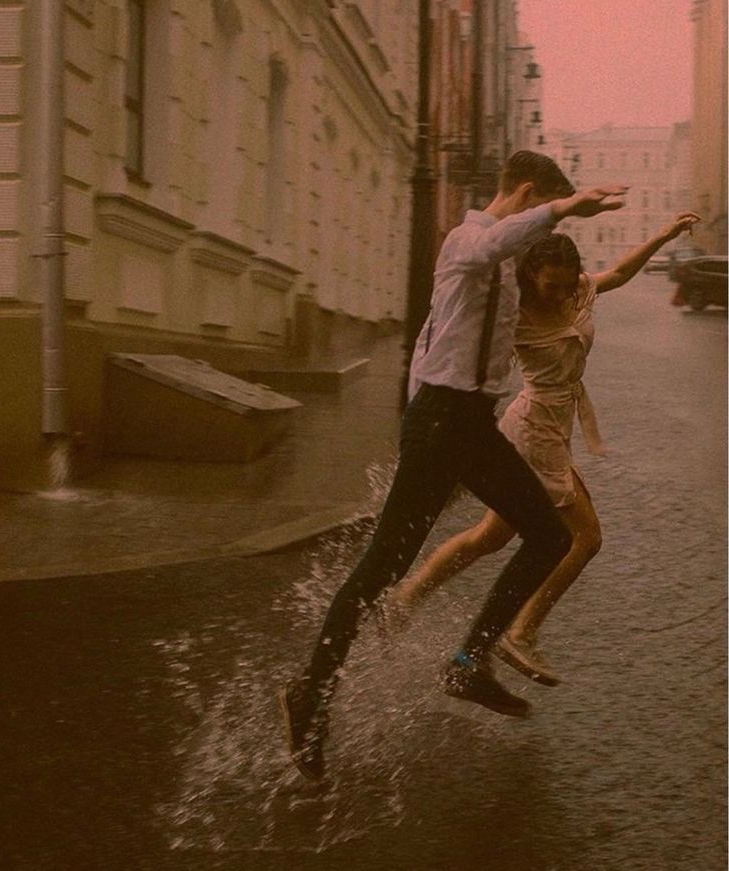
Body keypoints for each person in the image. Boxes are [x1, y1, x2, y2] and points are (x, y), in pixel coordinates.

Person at [280, 149, 628, 781]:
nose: (541, 236)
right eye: (542, 211)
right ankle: (312, 691)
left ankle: (468, 663)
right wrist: (563, 209)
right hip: (444, 422)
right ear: (527, 194)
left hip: (466, 422)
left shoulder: (503, 269)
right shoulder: (466, 241)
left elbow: (430, 338)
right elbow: (488, 248)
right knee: (384, 565)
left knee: (549, 535)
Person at [386, 212, 701, 687]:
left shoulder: (578, 291)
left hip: (552, 426)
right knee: (585, 538)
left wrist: (663, 234)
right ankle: (522, 631)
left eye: (566, 284)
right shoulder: (513, 313)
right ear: (532, 275)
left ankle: (406, 597)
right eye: (551, 285)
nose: (559, 294)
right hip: (535, 431)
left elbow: (618, 273)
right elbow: (455, 338)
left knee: (491, 537)